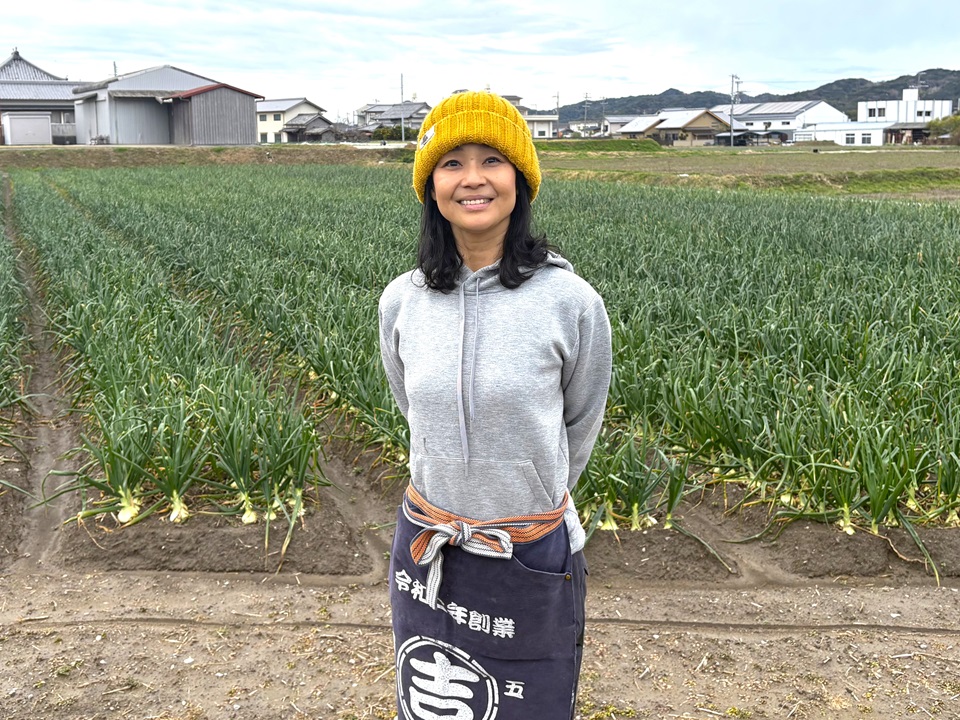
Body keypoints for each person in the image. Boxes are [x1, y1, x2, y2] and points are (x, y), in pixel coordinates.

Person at [378, 90, 612, 720]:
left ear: (521, 180)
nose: (472, 179)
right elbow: (412, 406)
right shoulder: (402, 301)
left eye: (492, 161)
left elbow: (581, 419)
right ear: (431, 186)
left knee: (527, 704)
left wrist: (527, 492)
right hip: (430, 543)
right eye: (451, 163)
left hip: (529, 551)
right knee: (434, 705)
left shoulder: (570, 301)